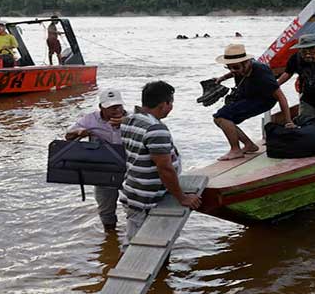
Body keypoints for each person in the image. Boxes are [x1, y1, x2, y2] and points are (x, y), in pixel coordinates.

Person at [119, 81, 200, 245]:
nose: (171, 108)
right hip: (146, 199)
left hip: (134, 190)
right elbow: (165, 168)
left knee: (140, 241)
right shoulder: (155, 129)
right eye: (171, 103)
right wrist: (182, 197)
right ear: (164, 104)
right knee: (140, 247)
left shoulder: (129, 120)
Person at [212, 44, 295, 160]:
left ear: (246, 62)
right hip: (247, 96)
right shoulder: (241, 68)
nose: (233, 71)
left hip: (263, 100)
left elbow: (281, 97)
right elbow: (233, 71)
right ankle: (249, 145)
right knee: (220, 120)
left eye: (235, 67)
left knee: (222, 116)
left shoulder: (261, 72)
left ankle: (236, 150)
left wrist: (288, 121)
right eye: (229, 67)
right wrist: (222, 78)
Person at [66, 89, 127, 230]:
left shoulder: (131, 118)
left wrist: (126, 122)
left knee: (134, 205)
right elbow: (68, 136)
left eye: (119, 106)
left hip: (128, 167)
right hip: (103, 169)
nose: (116, 110)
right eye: (111, 108)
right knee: (105, 209)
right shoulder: (89, 119)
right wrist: (80, 132)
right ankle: (110, 239)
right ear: (101, 107)